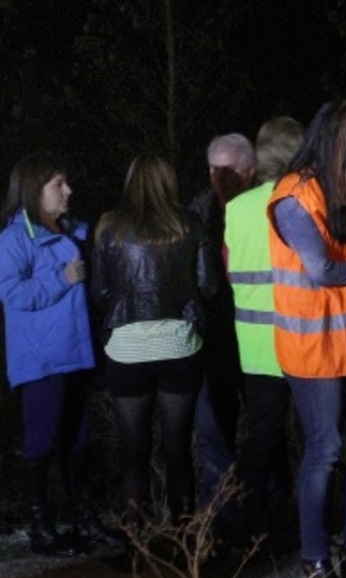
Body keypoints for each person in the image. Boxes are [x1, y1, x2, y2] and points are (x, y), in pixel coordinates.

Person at [267, 98, 346, 578]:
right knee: (327, 449)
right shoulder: (294, 195)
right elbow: (323, 270)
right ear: (344, 142)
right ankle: (315, 561)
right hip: (311, 343)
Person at [90, 153, 215, 536]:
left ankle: (135, 539)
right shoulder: (189, 223)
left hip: (127, 350)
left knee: (133, 448)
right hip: (179, 345)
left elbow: (99, 291)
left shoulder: (109, 227)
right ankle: (183, 538)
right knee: (177, 448)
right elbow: (208, 286)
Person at [0, 153, 116, 557]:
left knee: (79, 443)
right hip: (42, 361)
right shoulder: (14, 240)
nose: (68, 191)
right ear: (35, 190)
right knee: (42, 444)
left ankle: (84, 521)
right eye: (58, 184)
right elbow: (13, 293)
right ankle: (41, 528)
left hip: (77, 355)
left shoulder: (74, 231)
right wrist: (62, 277)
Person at [224, 117, 302, 549]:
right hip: (303, 339)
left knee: (260, 440)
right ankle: (314, 520)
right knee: (318, 438)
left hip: (254, 345)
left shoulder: (236, 208)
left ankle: (249, 526)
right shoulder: (305, 200)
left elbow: (231, 271)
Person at [189, 133, 256, 516]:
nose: (218, 177)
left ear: (249, 171)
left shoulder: (268, 208)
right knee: (214, 429)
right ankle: (221, 515)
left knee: (265, 429)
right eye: (213, 168)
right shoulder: (198, 213)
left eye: (227, 168)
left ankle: (267, 511)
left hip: (259, 335)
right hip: (215, 337)